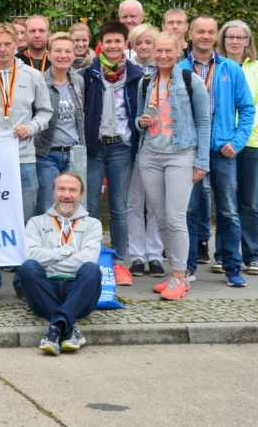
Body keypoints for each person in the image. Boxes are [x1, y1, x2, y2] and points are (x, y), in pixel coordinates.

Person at [0, 23, 52, 302]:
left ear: (18, 43)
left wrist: (32, 127)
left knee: (24, 222)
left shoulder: (32, 76)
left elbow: (45, 111)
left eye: (8, 44)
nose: (2, 49)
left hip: (24, 159)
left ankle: (21, 279)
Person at [180, 16, 255, 286]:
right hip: (190, 151)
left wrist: (236, 142)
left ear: (215, 36)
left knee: (228, 210)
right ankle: (187, 268)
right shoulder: (180, 69)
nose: (205, 36)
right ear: (190, 34)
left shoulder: (230, 69)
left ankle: (232, 267)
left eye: (210, 32)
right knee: (188, 211)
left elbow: (247, 109)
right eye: (200, 31)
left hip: (222, 150)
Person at [136, 32, 210, 301]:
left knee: (176, 217)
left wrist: (202, 161)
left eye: (169, 51)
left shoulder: (192, 81)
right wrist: (140, 122)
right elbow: (137, 118)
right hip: (150, 155)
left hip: (181, 154)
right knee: (161, 216)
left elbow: (203, 122)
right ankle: (173, 274)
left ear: (178, 51)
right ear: (153, 52)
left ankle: (180, 276)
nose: (163, 55)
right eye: (159, 51)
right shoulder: (146, 81)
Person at [83, 21, 144, 286]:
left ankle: (119, 262)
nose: (113, 46)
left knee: (119, 207)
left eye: (117, 41)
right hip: (94, 147)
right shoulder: (88, 74)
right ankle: (91, 257)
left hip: (121, 146)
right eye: (108, 42)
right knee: (90, 206)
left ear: (125, 44)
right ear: (101, 45)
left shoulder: (136, 75)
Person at [19, 173, 102, 355]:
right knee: (29, 267)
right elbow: (31, 255)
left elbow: (88, 259)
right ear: (54, 193)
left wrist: (50, 262)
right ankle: (68, 327)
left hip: (78, 290)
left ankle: (55, 328)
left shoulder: (93, 224)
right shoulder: (36, 222)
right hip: (44, 289)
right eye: (61, 189)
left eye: (73, 190)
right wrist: (64, 253)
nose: (66, 195)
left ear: (81, 195)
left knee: (91, 270)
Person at [217, 20, 258, 275]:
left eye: (240, 37)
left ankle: (252, 254)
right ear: (222, 40)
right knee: (225, 200)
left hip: (251, 142)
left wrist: (241, 138)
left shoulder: (255, 69)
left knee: (250, 203)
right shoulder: (216, 66)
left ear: (247, 41)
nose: (234, 41)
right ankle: (223, 254)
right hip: (223, 143)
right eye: (230, 37)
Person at [127, 24, 164, 277]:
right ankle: (137, 255)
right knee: (133, 202)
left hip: (161, 144)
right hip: (132, 144)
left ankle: (155, 254)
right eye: (138, 43)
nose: (143, 47)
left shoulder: (170, 70)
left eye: (148, 42)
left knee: (155, 203)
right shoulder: (127, 71)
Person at [34, 33, 85, 216]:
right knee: (48, 206)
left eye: (68, 51)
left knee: (73, 207)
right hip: (47, 155)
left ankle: (70, 244)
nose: (63, 55)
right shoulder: (38, 81)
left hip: (74, 154)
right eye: (58, 51)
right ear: (48, 54)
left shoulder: (78, 81)